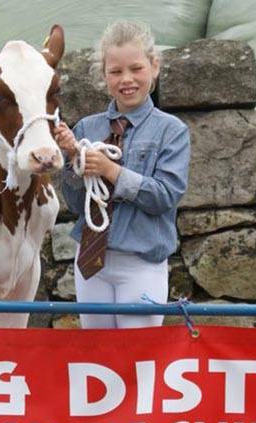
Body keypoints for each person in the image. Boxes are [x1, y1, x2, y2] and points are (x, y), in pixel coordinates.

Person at [54, 20, 190, 329]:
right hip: (90, 262)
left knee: (136, 355)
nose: (126, 79)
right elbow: (77, 205)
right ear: (104, 75)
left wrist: (110, 170)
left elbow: (164, 197)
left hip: (141, 262)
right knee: (97, 354)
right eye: (115, 72)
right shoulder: (87, 128)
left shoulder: (172, 131)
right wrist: (74, 160)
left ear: (154, 67)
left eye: (136, 68)